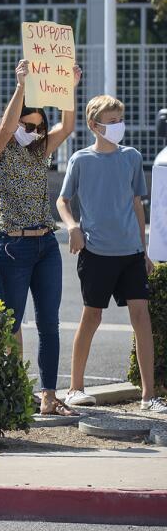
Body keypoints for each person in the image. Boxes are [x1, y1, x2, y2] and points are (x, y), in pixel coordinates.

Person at [0, 59, 81, 417]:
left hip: (45, 245)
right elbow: (6, 130)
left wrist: (68, 87)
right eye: (29, 125)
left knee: (49, 323)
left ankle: (49, 395)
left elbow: (68, 125)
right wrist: (22, 85)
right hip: (11, 245)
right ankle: (10, 394)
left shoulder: (41, 150)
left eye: (39, 128)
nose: (34, 132)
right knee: (10, 323)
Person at [58, 95, 166, 413]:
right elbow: (63, 201)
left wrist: (144, 250)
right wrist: (72, 227)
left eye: (120, 119)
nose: (119, 125)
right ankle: (75, 388)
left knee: (141, 317)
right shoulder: (80, 159)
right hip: (96, 253)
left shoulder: (131, 157)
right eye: (112, 120)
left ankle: (148, 396)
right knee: (92, 315)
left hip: (131, 252)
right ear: (94, 125)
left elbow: (136, 204)